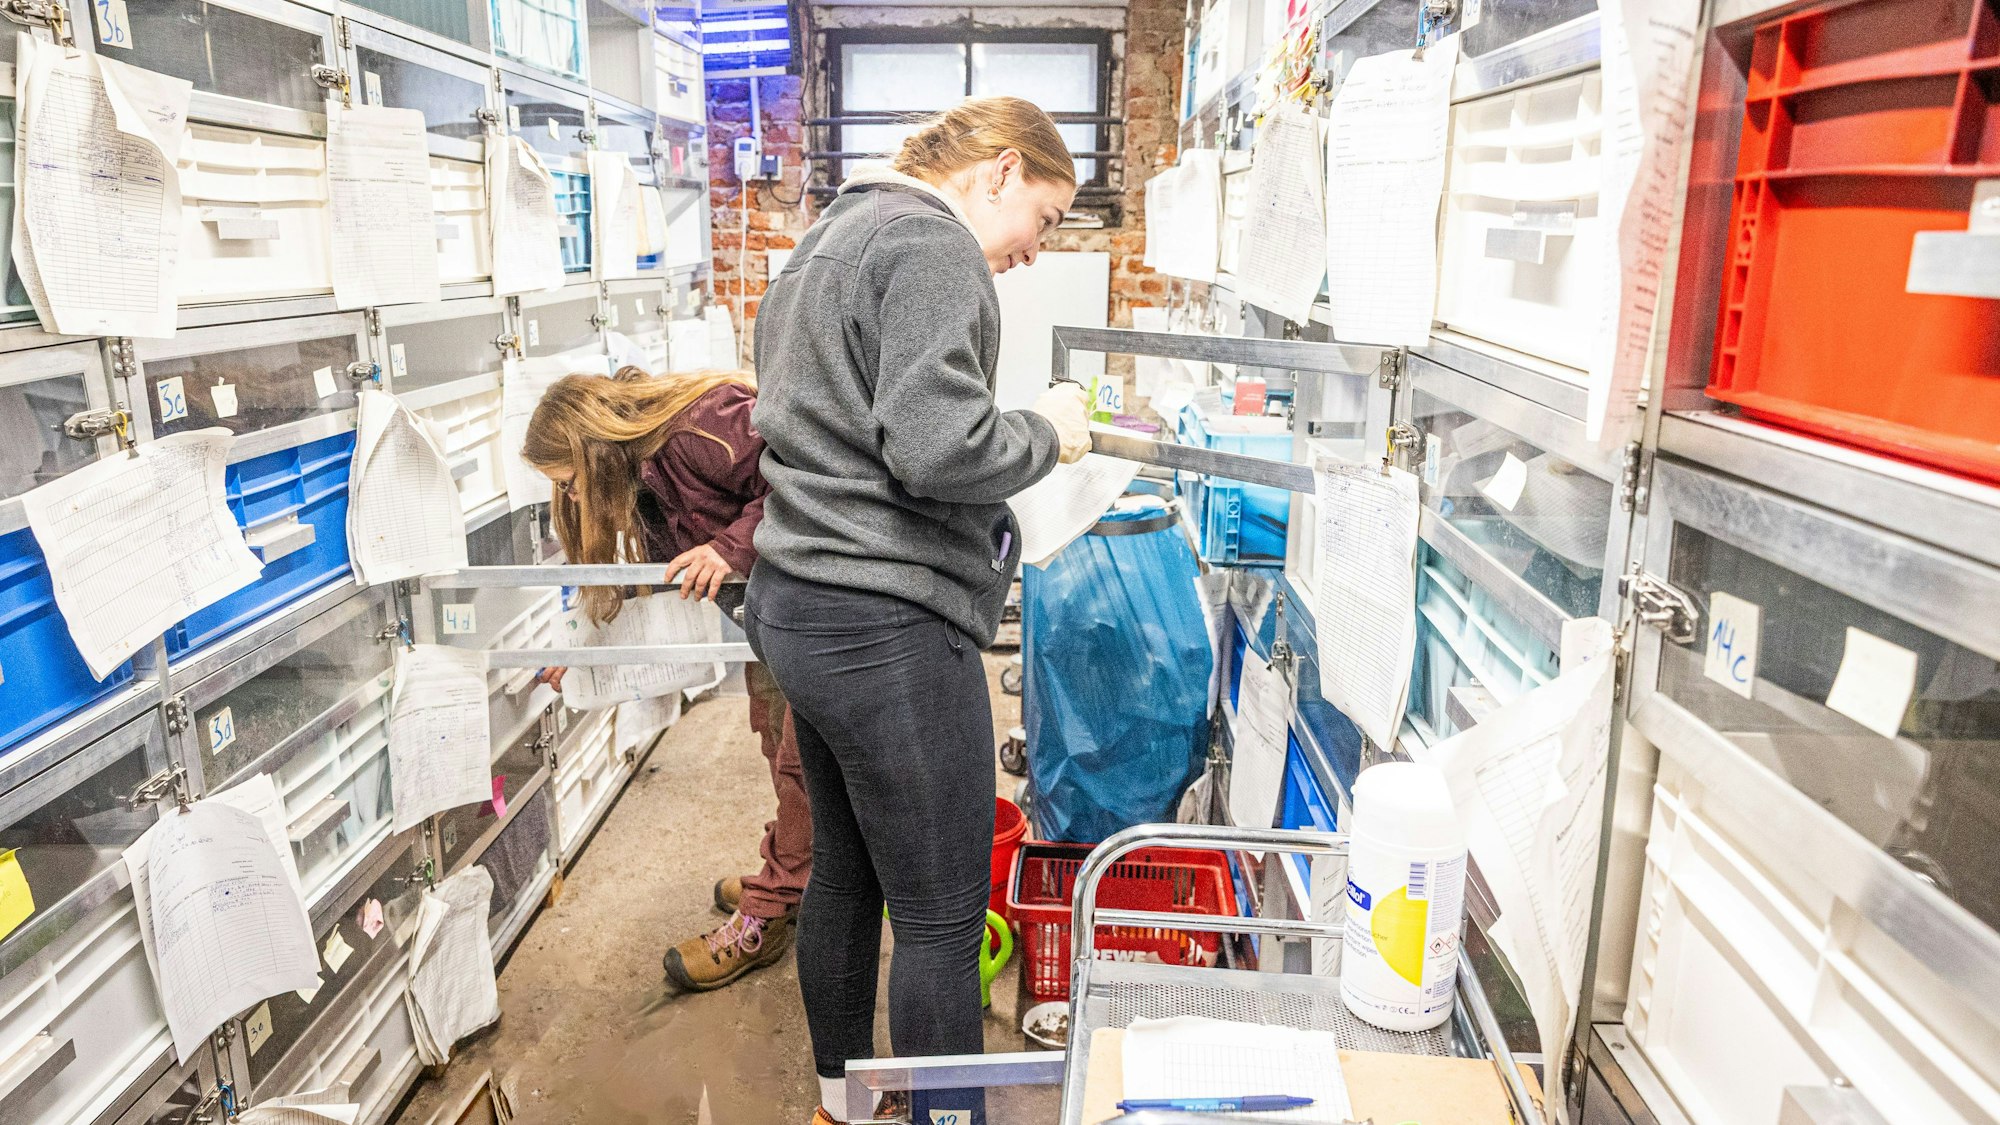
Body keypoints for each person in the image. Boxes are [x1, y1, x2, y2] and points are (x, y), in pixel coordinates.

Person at [743, 96, 1094, 1125]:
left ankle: (840, 1104)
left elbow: (855, 428)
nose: (1034, 251)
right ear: (995, 171)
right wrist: (1047, 433)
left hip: (800, 607)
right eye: (1045, 214)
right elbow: (936, 448)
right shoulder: (929, 247)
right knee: (942, 916)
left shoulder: (825, 242)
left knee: (845, 878)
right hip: (883, 622)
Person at [521, 366, 813, 993]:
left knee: (801, 760)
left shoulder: (698, 430)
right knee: (772, 735)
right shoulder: (644, 473)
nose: (572, 500)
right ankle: (795, 873)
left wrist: (729, 549)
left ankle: (773, 904)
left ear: (590, 450)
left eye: (569, 484)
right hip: (769, 608)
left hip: (815, 601)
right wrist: (583, 648)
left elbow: (808, 469)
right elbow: (667, 567)